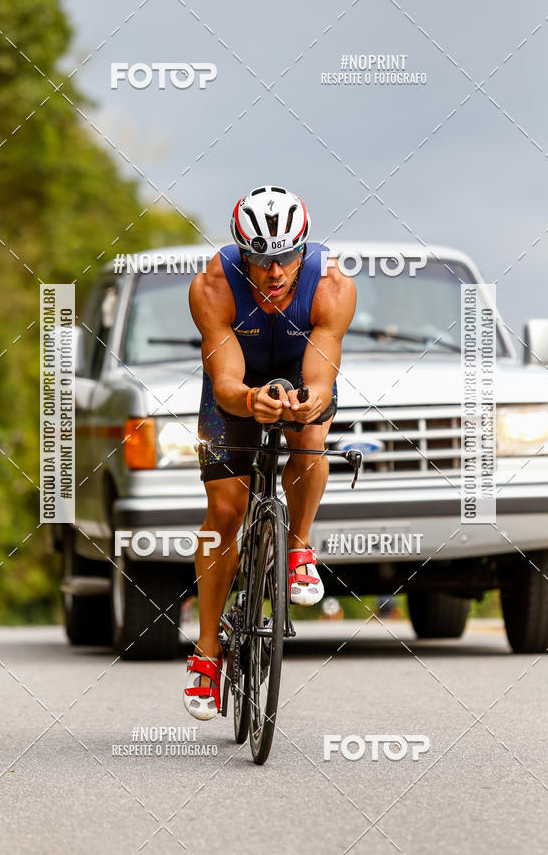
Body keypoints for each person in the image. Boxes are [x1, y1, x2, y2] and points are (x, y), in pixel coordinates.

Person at [184, 185, 356, 720]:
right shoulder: (213, 286)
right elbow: (226, 380)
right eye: (260, 259)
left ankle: (299, 547)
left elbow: (321, 380)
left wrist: (309, 404)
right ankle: (208, 653)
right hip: (234, 388)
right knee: (225, 512)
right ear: (242, 254)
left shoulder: (333, 286)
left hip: (302, 375)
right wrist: (249, 399)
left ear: (303, 252)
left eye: (285, 257)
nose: (275, 271)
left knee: (310, 435)